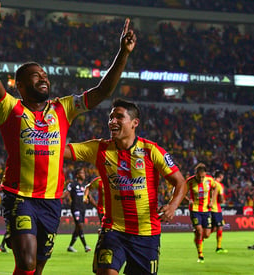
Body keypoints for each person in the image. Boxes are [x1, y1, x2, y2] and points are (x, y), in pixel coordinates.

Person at [0, 3, 136, 274]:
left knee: (38, 267)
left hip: (52, 201)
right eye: (35, 75)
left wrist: (123, 53)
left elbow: (102, 91)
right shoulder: (10, 109)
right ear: (20, 85)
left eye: (45, 75)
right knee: (26, 262)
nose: (43, 78)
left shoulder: (62, 108)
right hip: (19, 196)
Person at [64, 98, 187, 274]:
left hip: (146, 233)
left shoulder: (151, 151)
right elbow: (61, 150)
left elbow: (180, 182)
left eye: (119, 117)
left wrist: (173, 205)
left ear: (134, 123)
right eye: (111, 117)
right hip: (113, 230)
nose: (112, 121)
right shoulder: (99, 149)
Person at [186, 163, 217, 263]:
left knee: (207, 234)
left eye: (203, 177)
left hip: (206, 210)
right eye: (199, 177)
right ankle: (200, 255)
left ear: (205, 174)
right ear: (195, 174)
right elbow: (180, 191)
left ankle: (198, 239)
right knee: (199, 231)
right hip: (195, 209)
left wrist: (212, 201)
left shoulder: (210, 180)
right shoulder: (190, 181)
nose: (201, 179)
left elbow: (215, 188)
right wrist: (187, 200)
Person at [61, 167, 91, 253]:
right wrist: (56, 197)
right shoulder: (72, 184)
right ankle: (86, 246)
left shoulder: (84, 186)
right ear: (77, 175)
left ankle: (70, 246)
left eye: (84, 173)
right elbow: (65, 194)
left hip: (82, 208)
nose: (84, 174)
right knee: (80, 225)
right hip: (75, 208)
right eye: (82, 173)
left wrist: (87, 200)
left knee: (78, 228)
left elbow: (86, 197)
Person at [211, 170, 227, 254]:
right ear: (221, 176)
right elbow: (221, 199)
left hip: (208, 209)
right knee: (219, 227)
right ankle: (219, 247)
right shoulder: (219, 185)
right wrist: (223, 200)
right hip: (216, 209)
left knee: (212, 228)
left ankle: (200, 238)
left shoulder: (209, 183)